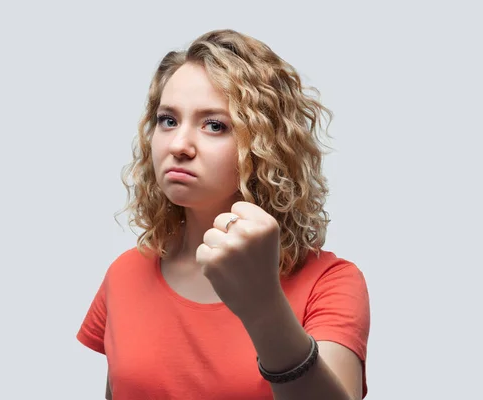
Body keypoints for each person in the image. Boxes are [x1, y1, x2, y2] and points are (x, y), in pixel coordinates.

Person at [76, 29, 370, 400]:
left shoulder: (330, 283)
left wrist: (263, 306)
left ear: (266, 146)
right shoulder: (125, 274)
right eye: (168, 120)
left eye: (214, 125)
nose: (179, 145)